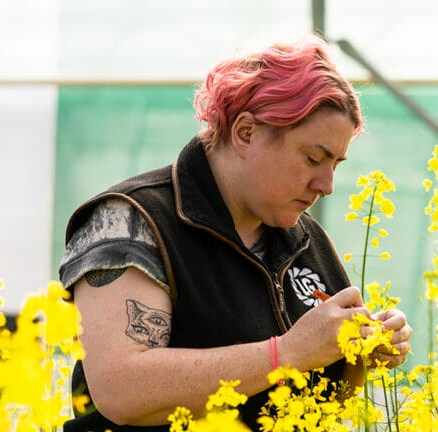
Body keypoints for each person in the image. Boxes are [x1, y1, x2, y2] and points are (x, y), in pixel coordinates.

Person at [58, 35, 413, 431]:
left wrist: (359, 353)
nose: (326, 184)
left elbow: (321, 405)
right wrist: (287, 353)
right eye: (313, 158)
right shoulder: (133, 220)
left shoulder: (305, 240)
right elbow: (120, 389)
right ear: (246, 133)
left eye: (336, 163)